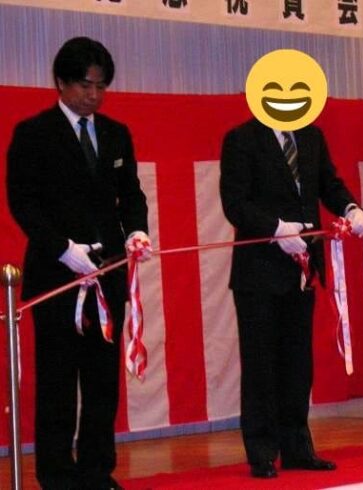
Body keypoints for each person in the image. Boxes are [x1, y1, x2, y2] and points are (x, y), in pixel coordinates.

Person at [7, 37, 151, 489]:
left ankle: (96, 470)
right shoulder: (33, 133)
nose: (94, 95)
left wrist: (137, 231)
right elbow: (23, 202)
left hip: (107, 273)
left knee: (102, 380)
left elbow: (131, 195)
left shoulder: (116, 133)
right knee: (57, 381)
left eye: (101, 86)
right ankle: (57, 475)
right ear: (62, 82)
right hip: (58, 274)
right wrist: (62, 248)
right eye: (86, 85)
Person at [219, 119, 363, 478]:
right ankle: (261, 450)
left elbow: (327, 184)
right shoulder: (241, 138)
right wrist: (274, 228)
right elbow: (235, 203)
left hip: (303, 266)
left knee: (298, 362)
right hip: (259, 270)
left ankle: (297, 447)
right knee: (260, 363)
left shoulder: (311, 135)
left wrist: (350, 207)